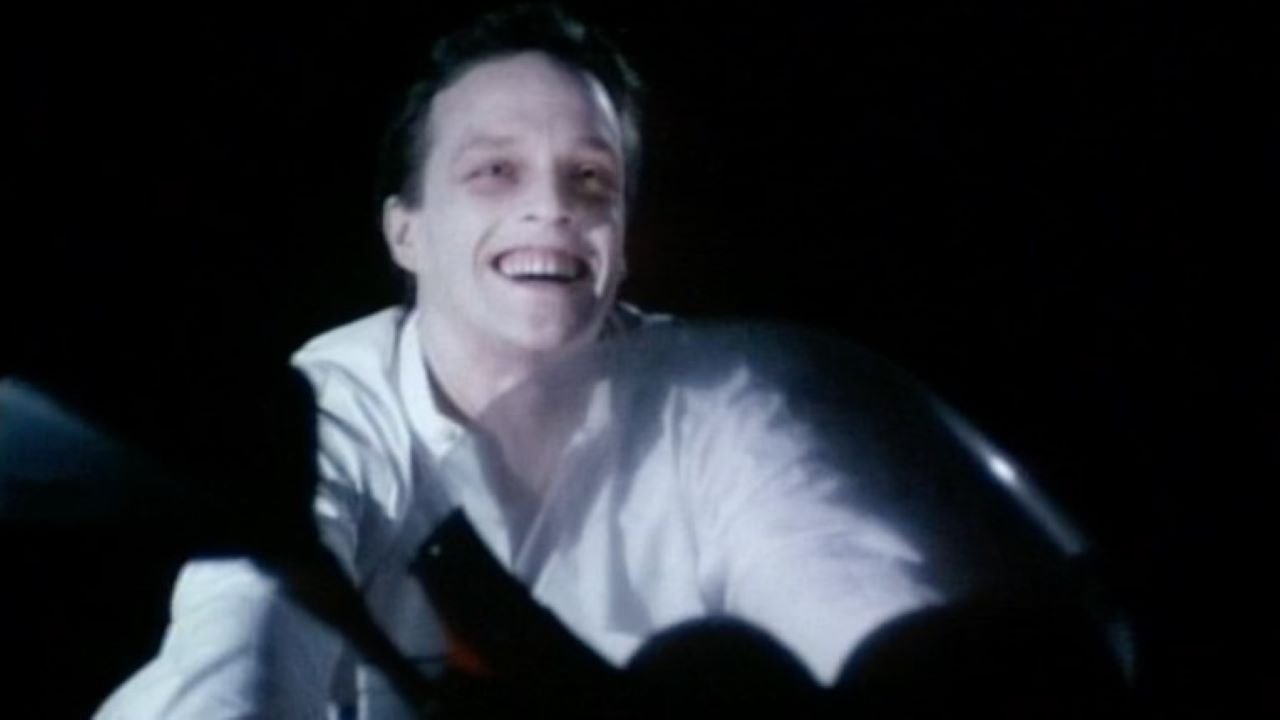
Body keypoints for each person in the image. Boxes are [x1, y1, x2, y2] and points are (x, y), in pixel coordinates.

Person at [96, 5, 941, 718]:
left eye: (591, 178)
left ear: (622, 243)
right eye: (495, 170)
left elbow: (850, 587)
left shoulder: (715, 398)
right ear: (407, 232)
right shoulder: (335, 405)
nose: (551, 205)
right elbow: (245, 634)